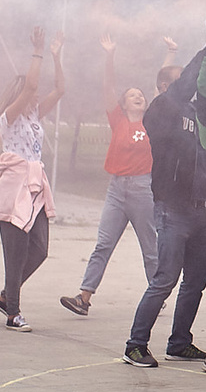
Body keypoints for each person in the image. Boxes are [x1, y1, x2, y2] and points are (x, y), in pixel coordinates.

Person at [127, 15, 206, 366]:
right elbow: (187, 83)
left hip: (203, 209)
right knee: (165, 278)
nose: (187, 89)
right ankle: (135, 343)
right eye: (177, 86)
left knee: (196, 280)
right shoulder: (161, 113)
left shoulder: (199, 113)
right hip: (173, 209)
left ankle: (179, 340)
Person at [61, 36, 159, 318]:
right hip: (116, 189)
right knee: (103, 243)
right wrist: (109, 56)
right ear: (123, 103)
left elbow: (163, 91)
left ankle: (157, 293)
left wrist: (170, 52)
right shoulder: (117, 120)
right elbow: (108, 87)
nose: (138, 96)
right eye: (131, 95)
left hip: (143, 189)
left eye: (141, 94)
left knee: (150, 249)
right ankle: (84, 298)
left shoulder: (152, 120)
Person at [0, 31, 61, 330]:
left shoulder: (34, 116)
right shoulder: (8, 117)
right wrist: (38, 52)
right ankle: (12, 313)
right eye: (30, 93)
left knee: (40, 249)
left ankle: (7, 295)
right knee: (15, 253)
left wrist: (57, 58)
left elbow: (59, 90)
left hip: (35, 186)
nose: (35, 95)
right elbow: (31, 83)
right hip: (14, 187)